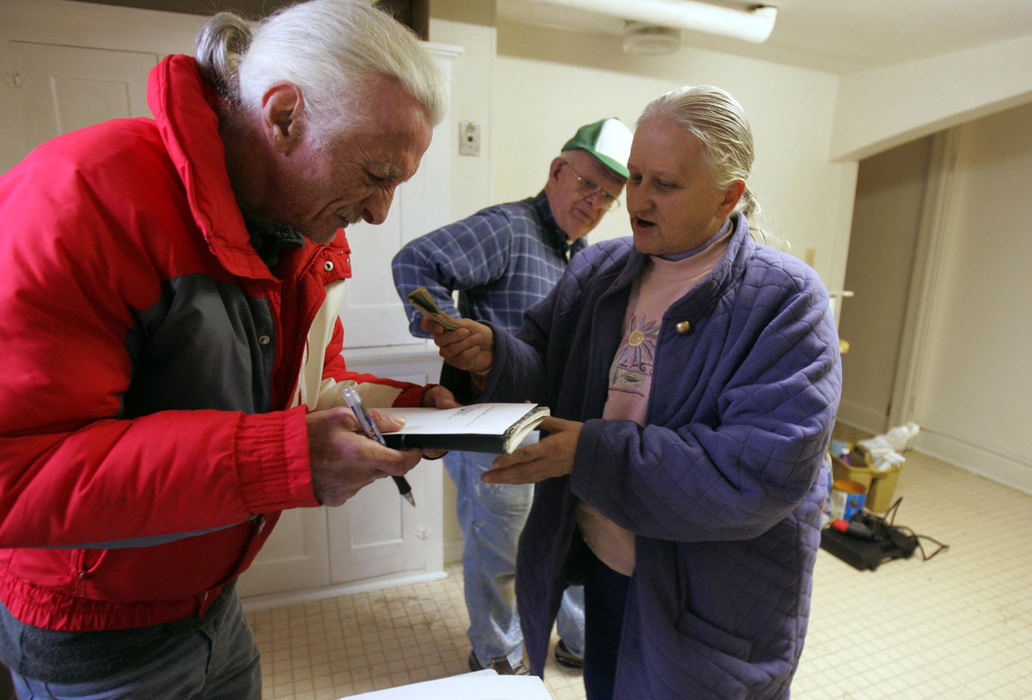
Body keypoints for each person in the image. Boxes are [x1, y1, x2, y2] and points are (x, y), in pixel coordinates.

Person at [0, 1, 458, 697]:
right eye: (375, 174)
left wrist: (421, 410)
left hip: (214, 605)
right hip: (92, 632)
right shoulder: (80, 197)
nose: (379, 212)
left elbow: (316, 381)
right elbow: (17, 468)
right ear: (282, 116)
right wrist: (283, 459)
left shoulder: (302, 227)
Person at [422, 85, 842, 699]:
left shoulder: (786, 301)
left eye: (664, 185)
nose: (636, 202)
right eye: (636, 178)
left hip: (702, 597)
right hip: (607, 564)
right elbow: (546, 363)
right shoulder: (601, 271)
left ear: (728, 196)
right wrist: (493, 356)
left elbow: (761, 469)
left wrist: (590, 452)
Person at [391, 118, 632, 675]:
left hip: (553, 433)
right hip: (493, 434)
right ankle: (497, 657)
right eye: (587, 184)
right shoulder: (511, 228)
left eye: (608, 196)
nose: (594, 202)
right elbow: (414, 260)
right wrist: (449, 333)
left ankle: (575, 640)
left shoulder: (580, 255)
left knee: (565, 539)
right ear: (557, 171)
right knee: (500, 554)